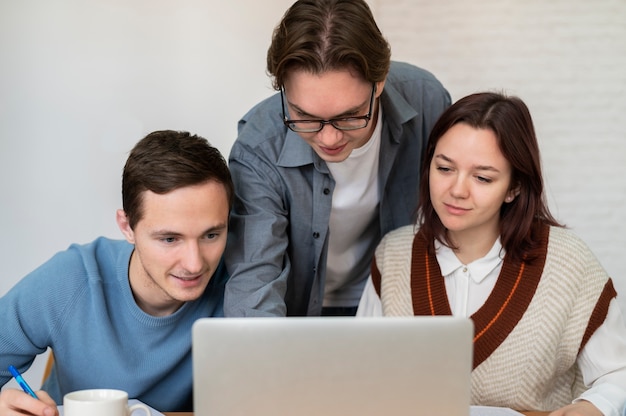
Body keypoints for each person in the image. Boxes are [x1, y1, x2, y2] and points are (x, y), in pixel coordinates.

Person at [357, 92, 626, 416]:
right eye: (444, 168)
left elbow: (617, 373)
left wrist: (593, 406)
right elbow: (363, 374)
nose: (457, 190)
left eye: (482, 177)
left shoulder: (568, 263)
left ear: (514, 187)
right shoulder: (393, 256)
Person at [224, 0, 451, 317]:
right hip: (298, 311)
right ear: (282, 91)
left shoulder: (427, 101)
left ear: (380, 81)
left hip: (396, 306)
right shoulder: (259, 146)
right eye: (304, 116)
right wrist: (264, 356)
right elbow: (254, 277)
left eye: (350, 116)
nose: (329, 138)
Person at [0, 130, 233, 415]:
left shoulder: (244, 284)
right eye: (169, 239)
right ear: (127, 227)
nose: (195, 264)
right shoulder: (70, 280)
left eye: (211, 235)